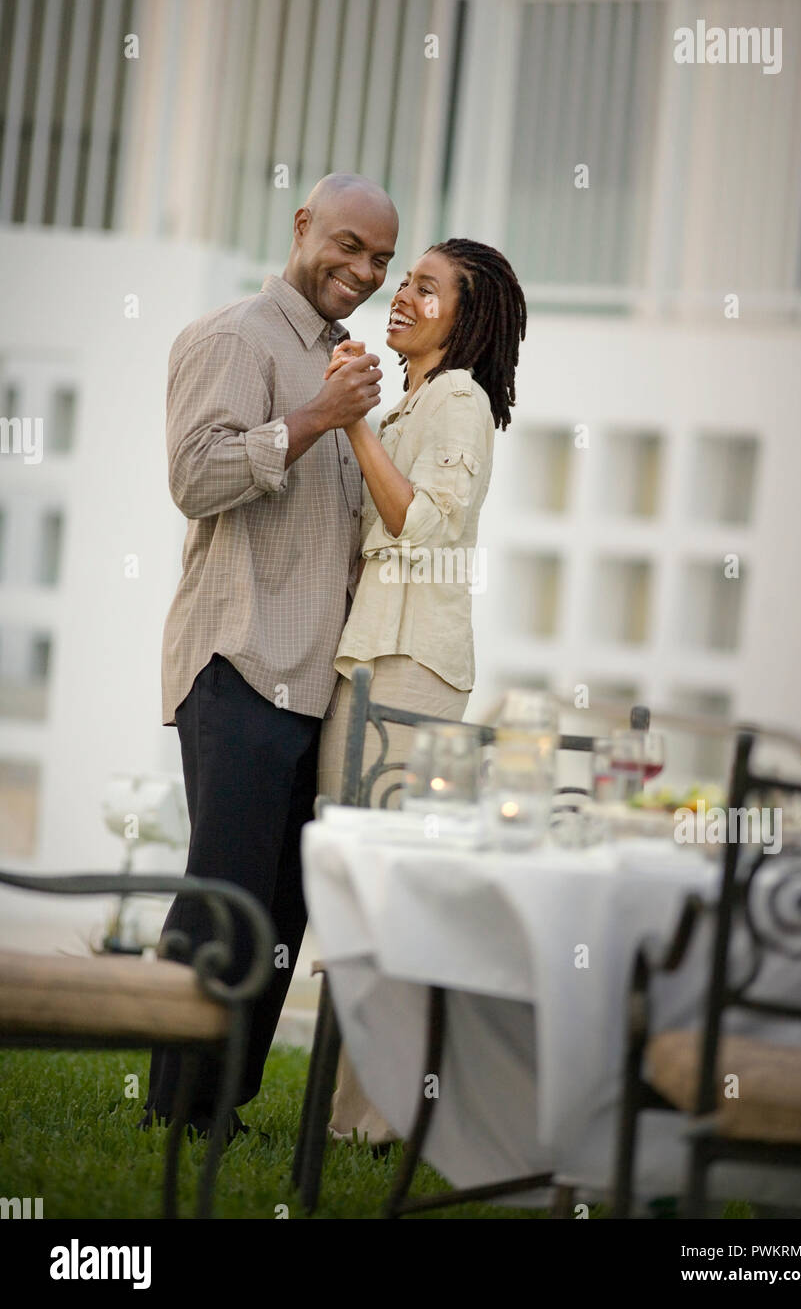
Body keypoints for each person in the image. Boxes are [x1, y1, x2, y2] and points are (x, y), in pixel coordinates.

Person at [140, 173, 398, 1139]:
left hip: (311, 684)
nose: (363, 272)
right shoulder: (235, 337)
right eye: (349, 246)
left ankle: (222, 1107)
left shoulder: (341, 364)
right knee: (226, 900)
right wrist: (319, 417)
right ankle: (173, 1108)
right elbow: (195, 476)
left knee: (282, 909)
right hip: (239, 663)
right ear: (302, 226)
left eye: (380, 259)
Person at [317, 237, 526, 1146]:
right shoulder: (414, 403)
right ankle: (351, 1116)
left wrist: (351, 423)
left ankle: (378, 1125)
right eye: (404, 283)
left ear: (466, 317)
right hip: (373, 657)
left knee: (384, 894)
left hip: (410, 669)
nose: (402, 295)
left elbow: (428, 524)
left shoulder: (460, 399)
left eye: (427, 288)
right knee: (359, 892)